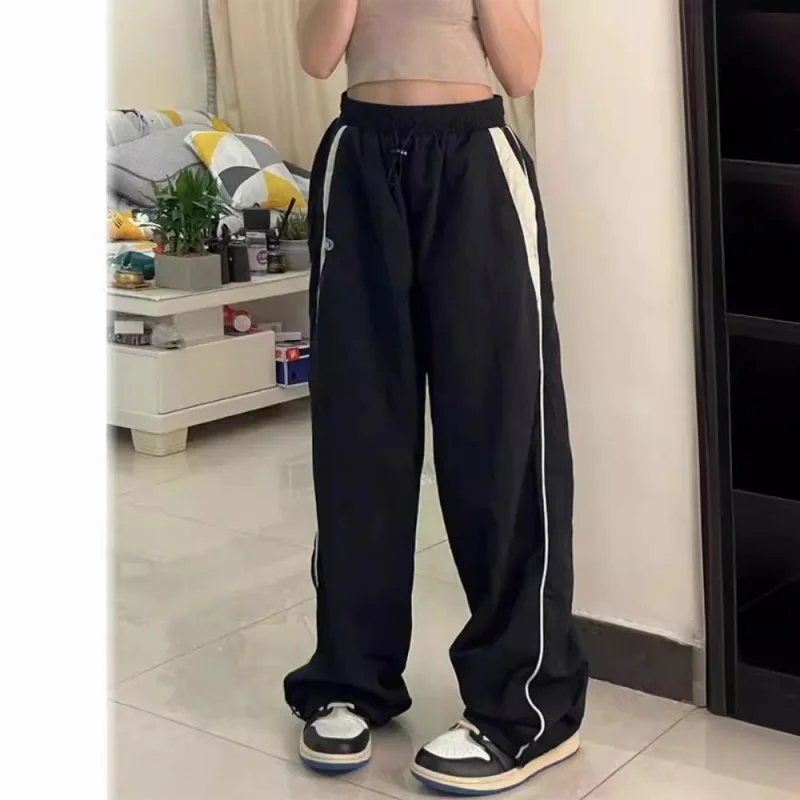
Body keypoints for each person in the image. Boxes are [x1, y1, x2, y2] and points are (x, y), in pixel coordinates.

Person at [284, 0, 589, 794]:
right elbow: (317, 57)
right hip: (359, 162)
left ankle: (525, 708)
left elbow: (521, 71)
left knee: (500, 438)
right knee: (358, 438)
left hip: (472, 164)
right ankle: (351, 679)